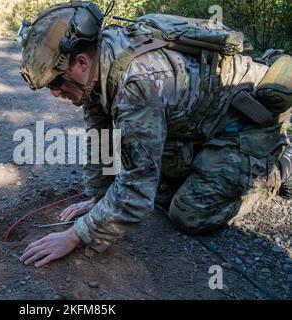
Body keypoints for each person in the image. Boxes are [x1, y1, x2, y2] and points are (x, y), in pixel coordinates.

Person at [16, 1, 292, 268]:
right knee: (159, 192)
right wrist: (99, 197)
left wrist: (75, 235)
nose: (54, 92)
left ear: (81, 62)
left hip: (244, 123)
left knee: (188, 213)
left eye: (56, 82)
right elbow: (100, 136)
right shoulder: (98, 62)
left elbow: (136, 188)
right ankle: (208, 163)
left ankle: (278, 166)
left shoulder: (138, 84)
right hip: (198, 120)